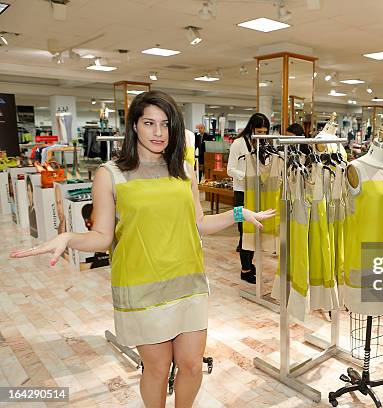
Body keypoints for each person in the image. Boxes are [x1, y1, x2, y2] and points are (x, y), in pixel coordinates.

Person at [10, 90, 274, 408]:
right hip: (142, 288)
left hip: (188, 282)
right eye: (149, 123)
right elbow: (102, 237)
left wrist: (238, 213)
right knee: (158, 368)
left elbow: (199, 223)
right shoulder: (110, 174)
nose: (159, 132)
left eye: (165, 124)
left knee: (191, 365)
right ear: (134, 125)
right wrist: (69, 238)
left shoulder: (184, 171)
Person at [227, 112, 270, 284]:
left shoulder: (264, 143)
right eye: (259, 131)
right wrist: (248, 176)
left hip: (257, 192)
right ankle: (245, 270)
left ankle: (249, 264)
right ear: (251, 128)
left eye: (264, 132)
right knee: (244, 232)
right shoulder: (238, 143)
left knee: (254, 231)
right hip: (241, 193)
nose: (262, 135)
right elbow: (230, 169)